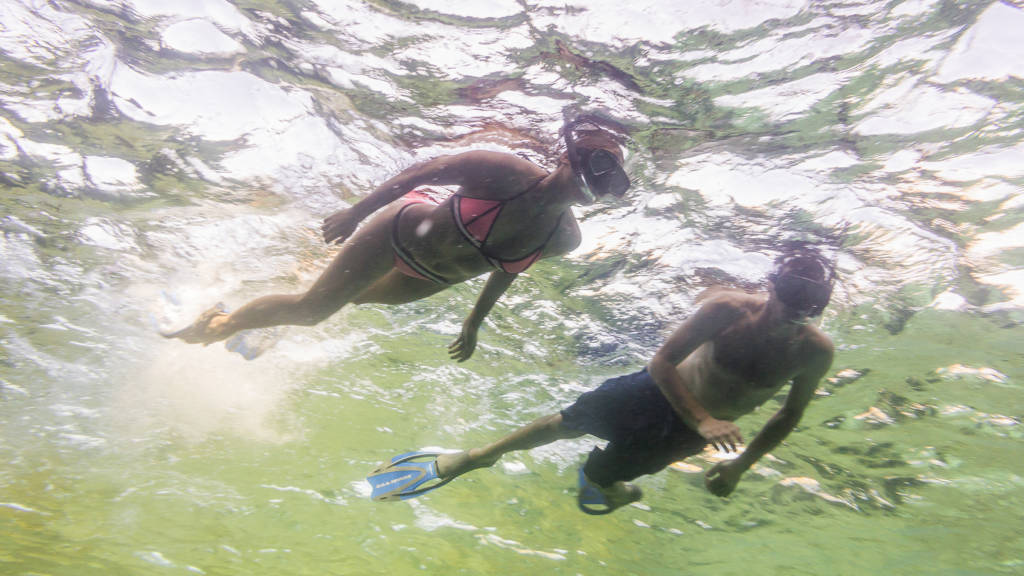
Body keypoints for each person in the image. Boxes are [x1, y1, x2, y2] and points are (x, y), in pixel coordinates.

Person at [367, 249, 836, 514]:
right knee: (571, 420)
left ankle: (619, 491)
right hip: (662, 392)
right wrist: (706, 417)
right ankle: (477, 458)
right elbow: (661, 362)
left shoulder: (815, 351)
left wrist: (740, 465)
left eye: (806, 312)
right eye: (786, 305)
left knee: (593, 490)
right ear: (770, 287)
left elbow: (790, 414)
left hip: (688, 434)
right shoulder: (727, 310)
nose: (790, 320)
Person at [162, 117, 631, 361]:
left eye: (609, 175)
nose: (596, 177)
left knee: (346, 301)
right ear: (567, 157)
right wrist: (357, 211)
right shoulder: (503, 170)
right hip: (398, 233)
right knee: (313, 310)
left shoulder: (566, 238)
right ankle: (221, 322)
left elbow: (509, 270)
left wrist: (474, 322)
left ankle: (273, 313)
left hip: (428, 279)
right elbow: (424, 171)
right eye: (594, 161)